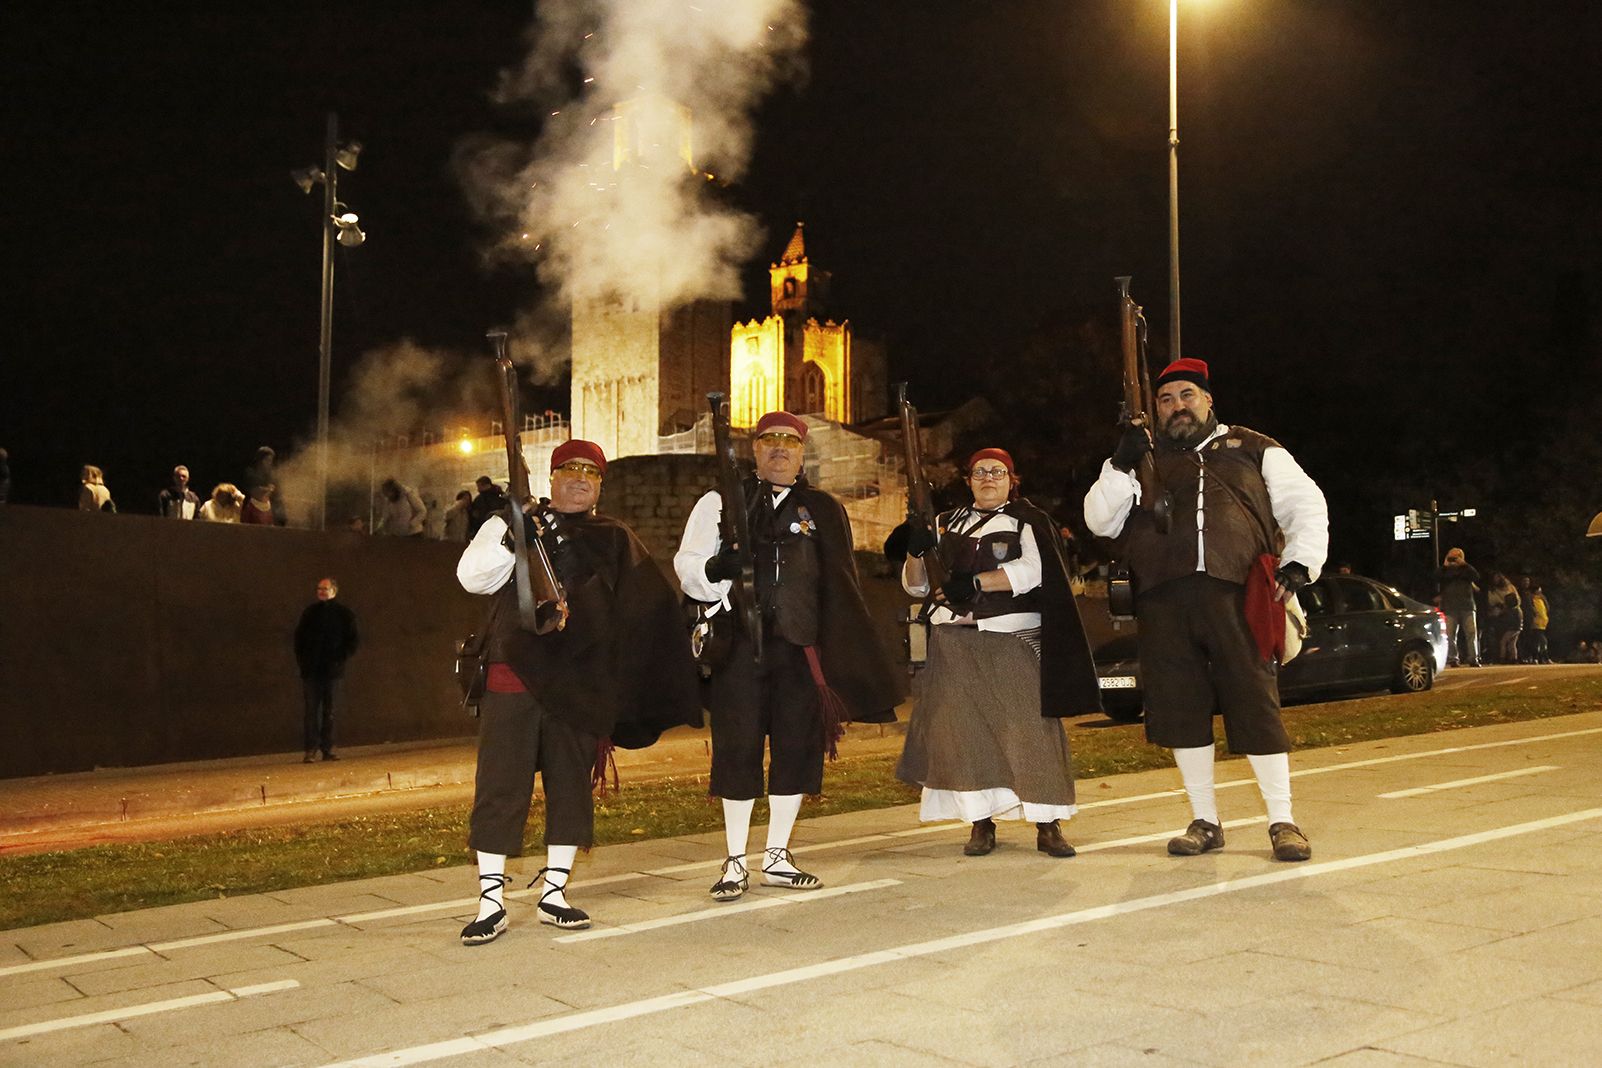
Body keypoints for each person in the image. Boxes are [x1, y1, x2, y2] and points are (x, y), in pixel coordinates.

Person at [1084, 357, 1328, 862]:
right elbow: (1100, 521)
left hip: (1236, 593)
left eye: (1187, 396)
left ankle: (1282, 820)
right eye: (1167, 399)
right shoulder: (1141, 459)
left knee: (1255, 701)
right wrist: (1120, 462)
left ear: (1208, 400)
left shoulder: (1253, 447)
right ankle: (1204, 820)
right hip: (1163, 598)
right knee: (1180, 707)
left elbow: (1304, 504)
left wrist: (1300, 563)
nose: (1177, 406)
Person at [455, 440, 700, 943]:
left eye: (591, 471)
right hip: (515, 672)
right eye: (569, 469)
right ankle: (491, 900)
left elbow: (644, 609)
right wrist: (514, 535)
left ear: (600, 485)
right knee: (501, 784)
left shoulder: (615, 538)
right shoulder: (509, 523)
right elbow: (472, 578)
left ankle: (555, 893)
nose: (580, 479)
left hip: (581, 680)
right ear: (551, 477)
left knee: (570, 785)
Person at [676, 410, 902, 901]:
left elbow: (839, 583)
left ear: (802, 452)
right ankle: (735, 860)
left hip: (801, 648)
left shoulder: (822, 508)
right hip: (739, 645)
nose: (779, 448)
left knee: (797, 749)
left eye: (789, 441)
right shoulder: (720, 502)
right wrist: (717, 566)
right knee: (738, 748)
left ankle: (777, 854)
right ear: (754, 448)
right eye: (769, 440)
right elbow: (687, 564)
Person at [890, 447, 1102, 858]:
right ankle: (981, 823)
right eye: (980, 472)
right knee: (966, 737)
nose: (989, 478)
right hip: (954, 645)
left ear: (1011, 480)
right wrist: (916, 551)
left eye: (998, 472)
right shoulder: (945, 523)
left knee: (1032, 734)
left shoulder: (1028, 521)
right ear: (968, 480)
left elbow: (1034, 571)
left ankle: (1048, 824)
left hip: (1011, 640)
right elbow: (916, 587)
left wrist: (977, 583)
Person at [293, 577, 359, 763]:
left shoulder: (344, 614)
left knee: (329, 711)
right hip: (311, 671)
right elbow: (299, 640)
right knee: (311, 711)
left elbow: (352, 640)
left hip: (332, 671)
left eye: (325, 588)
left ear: (334, 591)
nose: (321, 591)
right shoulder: (310, 613)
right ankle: (311, 749)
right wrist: (304, 663)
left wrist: (339, 659)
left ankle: (327, 748)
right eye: (319, 588)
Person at [1438, 548, 1480, 667]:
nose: (1453, 560)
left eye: (1456, 557)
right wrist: (1445, 565)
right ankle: (1453, 658)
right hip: (1450, 607)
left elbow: (1476, 576)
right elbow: (1436, 577)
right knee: (1450, 635)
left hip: (1467, 606)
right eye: (1451, 557)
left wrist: (1465, 564)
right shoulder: (1445, 571)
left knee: (1471, 633)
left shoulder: (1466, 570)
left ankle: (1473, 658)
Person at [1525, 581, 1551, 663]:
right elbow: (1530, 609)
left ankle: (1539, 658)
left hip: (1543, 623)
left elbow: (1547, 608)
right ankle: (1541, 658)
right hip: (1535, 623)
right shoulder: (1531, 598)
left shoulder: (1541, 598)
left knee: (1538, 641)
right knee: (1541, 641)